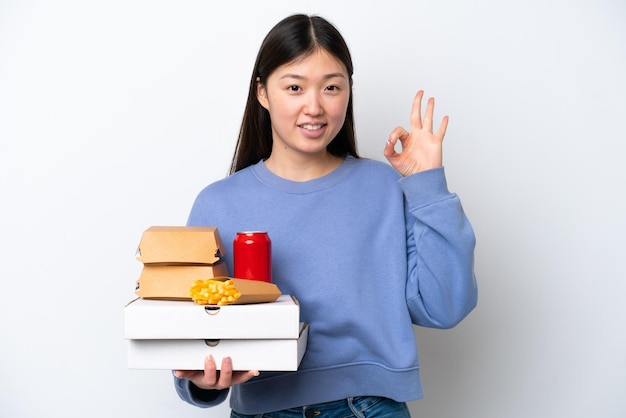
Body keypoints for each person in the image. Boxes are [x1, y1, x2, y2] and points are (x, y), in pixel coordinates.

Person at [173, 13, 477, 417]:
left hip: (369, 407)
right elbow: (192, 337)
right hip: (263, 409)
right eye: (295, 87)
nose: (314, 107)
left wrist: (426, 185)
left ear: (348, 91)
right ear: (262, 92)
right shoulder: (217, 204)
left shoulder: (383, 187)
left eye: (331, 87)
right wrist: (202, 383)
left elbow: (446, 307)